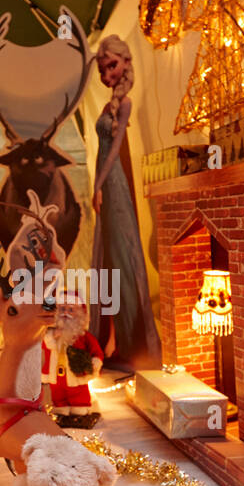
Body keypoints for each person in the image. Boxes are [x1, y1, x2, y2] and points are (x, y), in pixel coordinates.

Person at [90, 36, 161, 370]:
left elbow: (115, 149)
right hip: (105, 183)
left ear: (125, 63)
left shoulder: (127, 103)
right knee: (110, 262)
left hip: (115, 183)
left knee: (122, 259)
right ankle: (114, 340)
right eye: (103, 69)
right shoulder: (109, 107)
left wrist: (100, 185)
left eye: (112, 66)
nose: (107, 75)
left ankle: (134, 345)